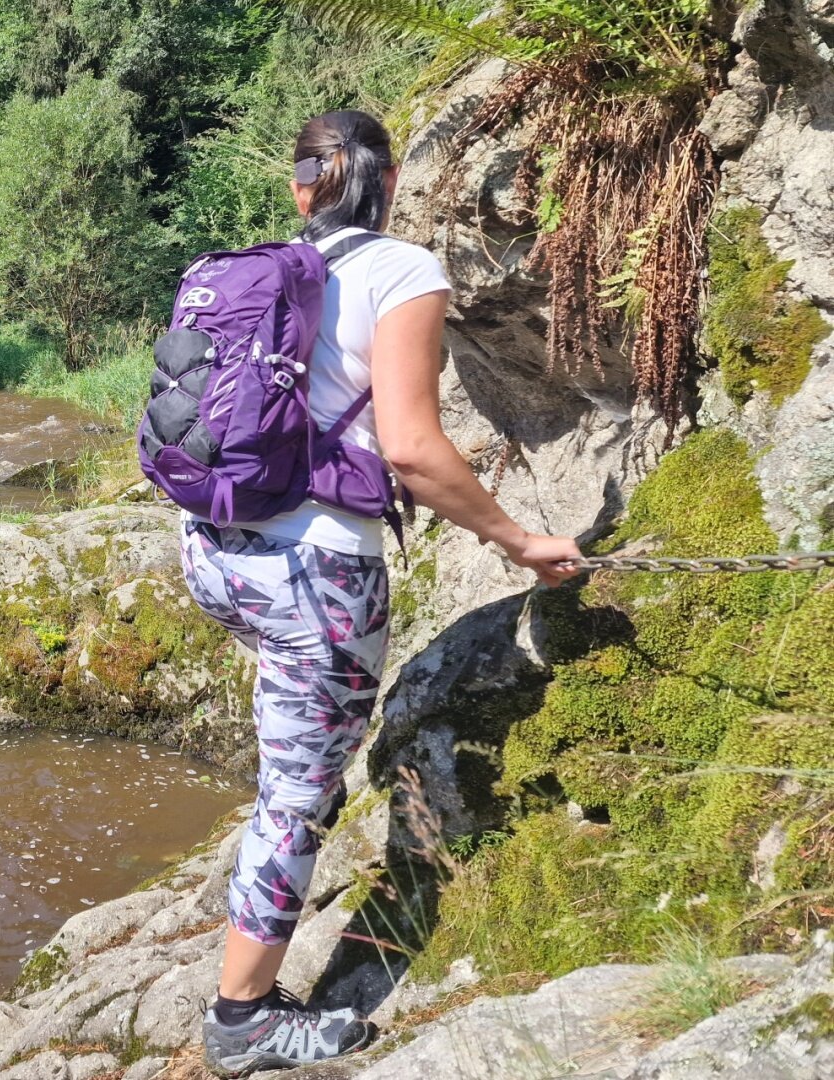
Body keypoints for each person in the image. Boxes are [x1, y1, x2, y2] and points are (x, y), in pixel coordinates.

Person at [184, 109, 583, 1075]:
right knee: (297, 790)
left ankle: (252, 925)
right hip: (314, 570)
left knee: (288, 753)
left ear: (302, 186)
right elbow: (409, 447)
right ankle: (244, 1020)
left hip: (215, 553)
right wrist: (520, 540)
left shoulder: (261, 268)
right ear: (388, 180)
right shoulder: (402, 270)